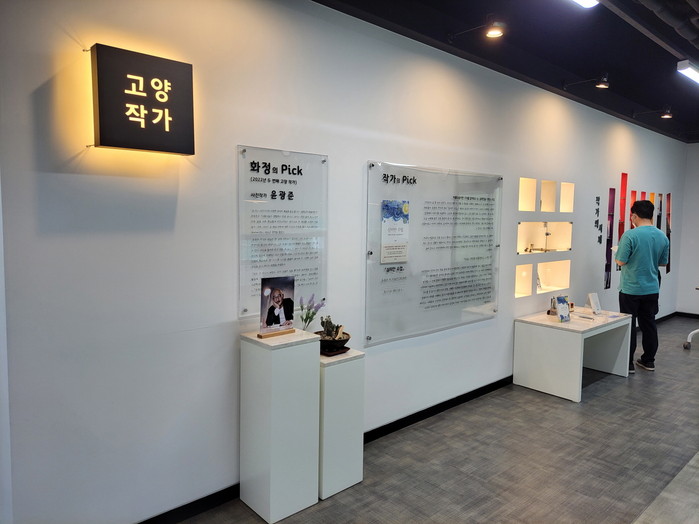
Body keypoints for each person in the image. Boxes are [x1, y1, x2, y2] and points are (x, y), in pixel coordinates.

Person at [615, 200, 669, 373]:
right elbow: (662, 262)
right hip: (652, 288)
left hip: (631, 288)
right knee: (649, 324)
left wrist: (617, 253)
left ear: (634, 216)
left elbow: (620, 261)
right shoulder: (662, 236)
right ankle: (648, 361)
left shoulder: (630, 235)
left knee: (629, 325)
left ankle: (628, 364)